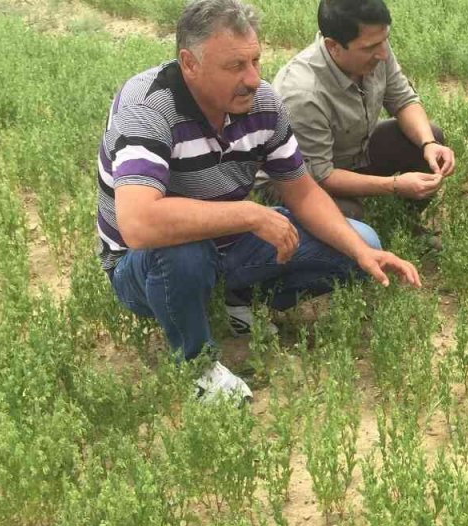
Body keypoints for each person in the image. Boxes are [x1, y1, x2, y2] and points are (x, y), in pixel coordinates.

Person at [97, 0, 421, 401]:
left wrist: (359, 251)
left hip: (229, 242)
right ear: (190, 63)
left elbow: (301, 191)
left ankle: (240, 300)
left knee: (363, 245)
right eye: (235, 67)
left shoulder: (262, 104)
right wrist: (250, 214)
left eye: (255, 61)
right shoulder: (148, 110)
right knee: (183, 251)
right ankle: (198, 364)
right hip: (141, 267)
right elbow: (139, 223)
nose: (253, 78)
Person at [272, 0, 455, 234]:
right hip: (299, 182)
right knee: (351, 216)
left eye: (384, 40)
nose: (382, 53)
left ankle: (402, 227)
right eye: (370, 47)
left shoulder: (377, 50)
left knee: (430, 138)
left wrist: (428, 144)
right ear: (333, 46)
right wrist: (395, 186)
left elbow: (403, 100)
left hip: (353, 155)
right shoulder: (302, 93)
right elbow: (321, 176)